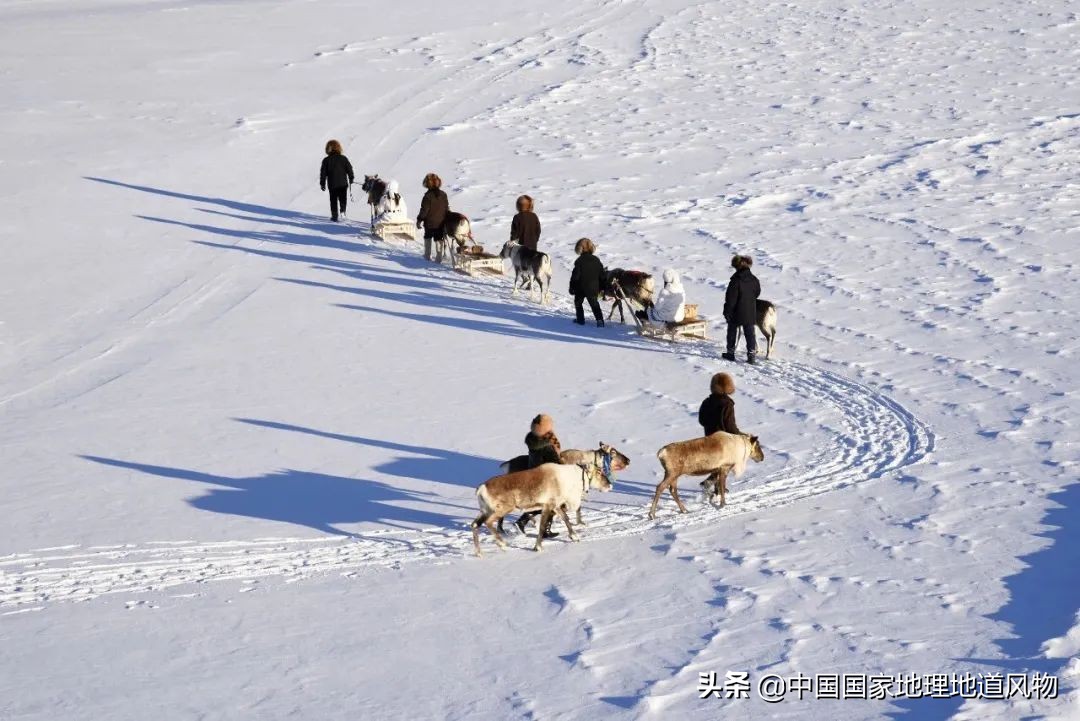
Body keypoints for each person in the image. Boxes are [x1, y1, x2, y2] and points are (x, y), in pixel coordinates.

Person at [515, 414, 562, 538]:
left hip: (534, 475)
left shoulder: (533, 439)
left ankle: (522, 521)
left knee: (541, 503)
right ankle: (542, 529)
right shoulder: (547, 445)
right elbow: (555, 462)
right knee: (551, 503)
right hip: (545, 478)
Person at [723, 254, 761, 364]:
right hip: (750, 310)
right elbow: (757, 293)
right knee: (750, 333)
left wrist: (727, 311)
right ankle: (751, 355)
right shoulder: (754, 279)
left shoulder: (735, 280)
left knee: (732, 331)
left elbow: (731, 298)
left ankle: (730, 353)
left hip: (736, 311)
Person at [569, 238, 605, 327]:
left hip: (580, 288)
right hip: (593, 288)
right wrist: (603, 287)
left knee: (578, 303)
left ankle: (580, 319)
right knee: (594, 304)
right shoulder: (596, 260)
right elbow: (602, 275)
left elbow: (575, 277)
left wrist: (572, 287)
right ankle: (600, 320)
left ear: (579, 248)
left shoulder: (579, 261)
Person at [319, 140, 354, 222]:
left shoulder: (326, 160)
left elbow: (323, 173)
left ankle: (334, 216)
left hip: (332, 184)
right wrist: (351, 178)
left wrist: (322, 183)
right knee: (343, 199)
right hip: (343, 184)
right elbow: (349, 169)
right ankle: (343, 211)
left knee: (333, 200)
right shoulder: (343, 158)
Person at [416, 173, 449, 261]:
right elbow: (446, 209)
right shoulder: (443, 194)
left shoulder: (427, 196)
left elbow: (424, 210)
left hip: (429, 223)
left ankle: (427, 256)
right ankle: (439, 258)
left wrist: (419, 220)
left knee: (428, 237)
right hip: (441, 222)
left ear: (427, 184)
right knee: (439, 238)